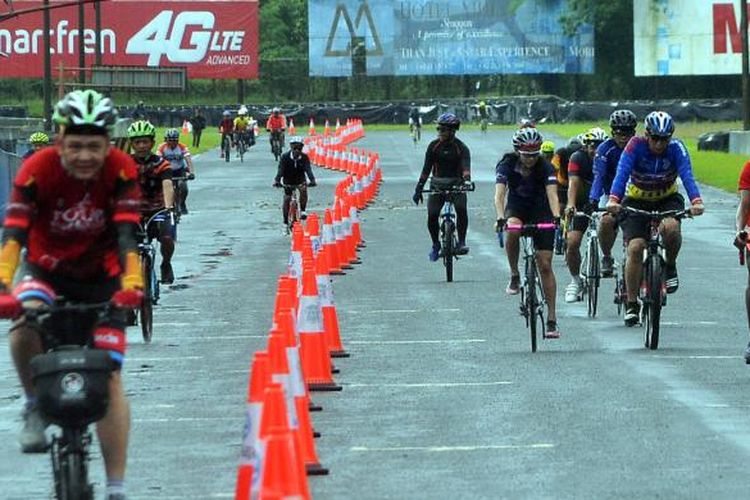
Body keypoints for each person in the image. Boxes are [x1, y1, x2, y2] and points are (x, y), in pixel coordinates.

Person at [0, 89, 142, 500]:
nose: (84, 156)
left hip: (104, 278)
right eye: (75, 146)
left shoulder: (121, 170)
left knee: (110, 377)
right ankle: (33, 404)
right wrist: (4, 283)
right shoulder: (36, 168)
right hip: (46, 270)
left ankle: (117, 489)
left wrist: (132, 285)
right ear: (59, 141)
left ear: (108, 144)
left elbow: (127, 235)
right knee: (25, 321)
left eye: (93, 147)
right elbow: (14, 234)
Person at [606, 111, 705, 326]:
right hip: (636, 199)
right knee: (635, 247)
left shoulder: (676, 148)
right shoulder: (635, 145)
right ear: (646, 135)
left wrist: (696, 201)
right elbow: (621, 173)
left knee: (671, 228)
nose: (659, 144)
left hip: (667, 198)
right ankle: (632, 303)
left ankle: (669, 265)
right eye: (655, 139)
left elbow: (687, 175)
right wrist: (614, 199)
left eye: (664, 139)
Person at [494, 127, 562, 338]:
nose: (530, 159)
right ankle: (515, 274)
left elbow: (552, 195)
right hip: (517, 208)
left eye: (534, 154)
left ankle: (551, 319)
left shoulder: (546, 166)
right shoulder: (507, 163)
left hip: (541, 210)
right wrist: (499, 217)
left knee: (545, 264)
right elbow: (499, 195)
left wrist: (557, 217)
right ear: (517, 151)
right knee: (512, 229)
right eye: (526, 155)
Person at [412, 113, 472, 261]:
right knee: (432, 215)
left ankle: (462, 242)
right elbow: (426, 169)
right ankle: (435, 244)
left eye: (443, 129)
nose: (439, 132)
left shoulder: (461, 148)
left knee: (461, 209)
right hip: (437, 184)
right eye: (438, 129)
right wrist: (419, 188)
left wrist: (467, 180)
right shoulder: (433, 146)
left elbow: (465, 167)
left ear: (452, 131)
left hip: (456, 184)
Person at [589, 109, 639, 277]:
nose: (623, 138)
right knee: (606, 222)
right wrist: (593, 199)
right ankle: (607, 256)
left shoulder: (641, 146)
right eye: (619, 133)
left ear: (634, 132)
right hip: (609, 192)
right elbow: (599, 176)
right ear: (612, 133)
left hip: (636, 193)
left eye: (627, 133)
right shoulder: (605, 149)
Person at [127, 120, 177, 284]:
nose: (142, 145)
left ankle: (166, 264)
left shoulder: (162, 164)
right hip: (134, 211)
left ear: (152, 143)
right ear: (132, 144)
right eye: (137, 142)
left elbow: (167, 185)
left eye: (145, 141)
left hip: (158, 210)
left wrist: (169, 207)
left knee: (167, 239)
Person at [564, 127, 608, 303]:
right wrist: (571, 205)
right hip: (583, 200)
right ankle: (576, 280)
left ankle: (608, 259)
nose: (596, 150)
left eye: (600, 146)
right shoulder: (577, 158)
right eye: (592, 146)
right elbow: (573, 184)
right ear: (585, 146)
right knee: (572, 243)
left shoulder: (609, 156)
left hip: (606, 198)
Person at [273, 137, 316, 230]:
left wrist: (312, 180)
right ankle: (285, 222)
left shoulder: (304, 158)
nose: (297, 150)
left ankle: (303, 210)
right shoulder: (285, 157)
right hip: (288, 180)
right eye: (294, 148)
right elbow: (280, 170)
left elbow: (308, 170)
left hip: (300, 179)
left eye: (299, 148)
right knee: (287, 199)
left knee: (303, 190)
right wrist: (277, 180)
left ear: (302, 148)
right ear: (291, 147)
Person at [157, 129, 195, 215]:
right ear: (166, 140)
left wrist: (191, 172)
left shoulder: (182, 147)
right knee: (165, 188)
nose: (172, 142)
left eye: (175, 140)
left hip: (180, 169)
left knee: (183, 187)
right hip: (167, 170)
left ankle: (182, 203)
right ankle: (167, 205)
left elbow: (188, 160)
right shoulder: (162, 147)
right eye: (170, 140)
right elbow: (158, 160)